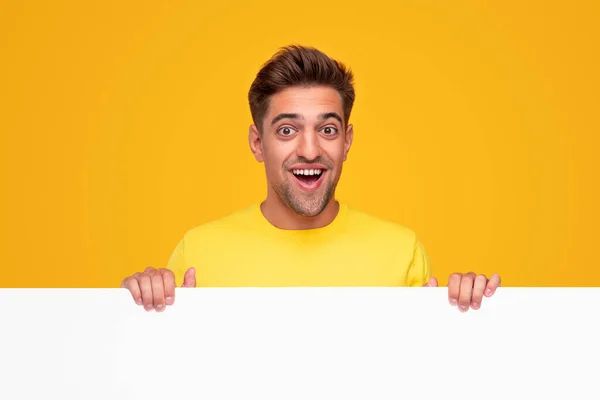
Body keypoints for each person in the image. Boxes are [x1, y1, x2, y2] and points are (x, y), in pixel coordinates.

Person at [121, 45, 501, 313]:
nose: (309, 150)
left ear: (347, 141)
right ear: (258, 143)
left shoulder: (402, 252)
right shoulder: (197, 252)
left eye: (328, 130)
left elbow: (430, 373)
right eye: (287, 130)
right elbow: (158, 366)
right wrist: (132, 305)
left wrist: (470, 311)